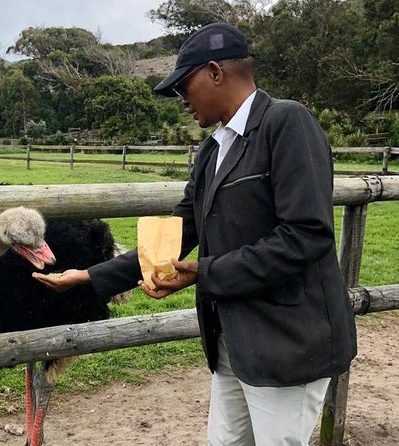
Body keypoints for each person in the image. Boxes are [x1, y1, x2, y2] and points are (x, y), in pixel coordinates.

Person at [33, 22, 357, 446]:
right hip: (232, 343)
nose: (181, 100)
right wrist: (93, 278)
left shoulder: (286, 123)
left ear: (215, 73)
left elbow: (306, 236)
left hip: (288, 344)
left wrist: (205, 272)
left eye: (184, 86)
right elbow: (180, 230)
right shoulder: (212, 150)